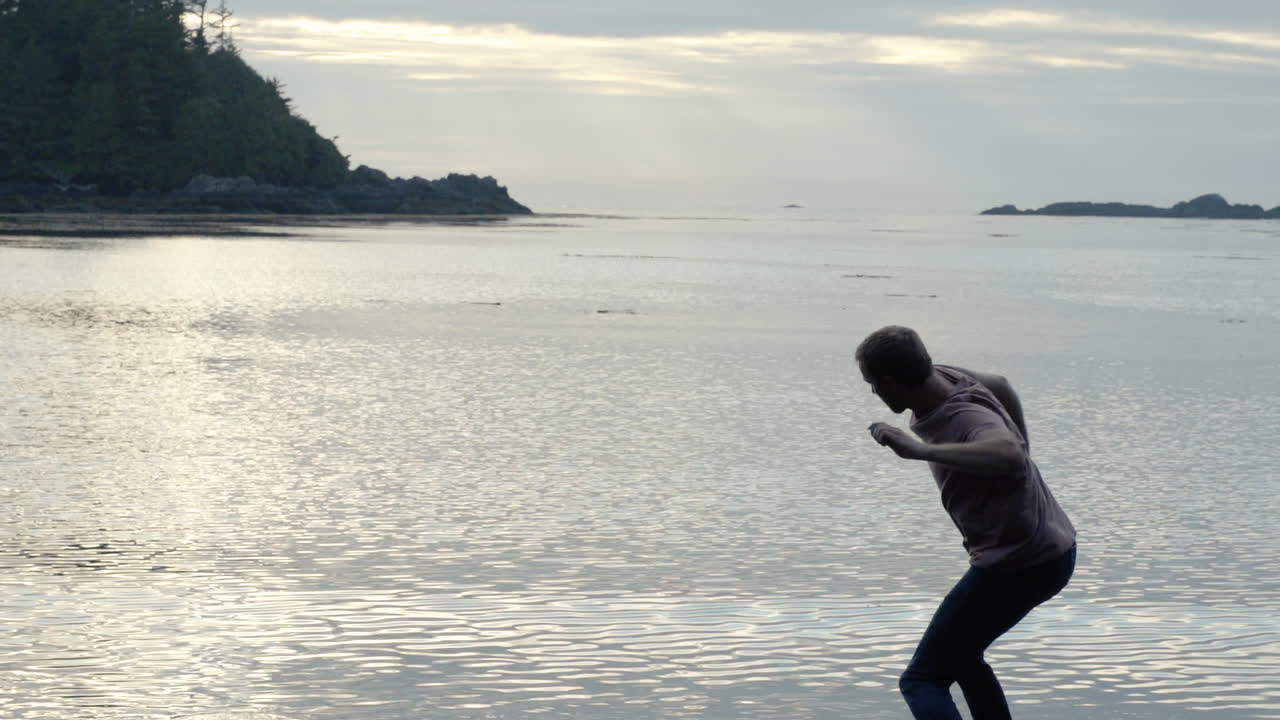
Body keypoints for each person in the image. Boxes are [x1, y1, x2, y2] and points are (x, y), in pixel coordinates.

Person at [855, 325, 1076, 720]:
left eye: (874, 384)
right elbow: (1001, 384)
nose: (874, 392)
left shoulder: (962, 416)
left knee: (922, 679)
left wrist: (920, 449)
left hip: (1021, 563)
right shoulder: (948, 376)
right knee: (962, 657)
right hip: (1049, 551)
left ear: (891, 381)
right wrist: (1024, 442)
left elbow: (1007, 453)